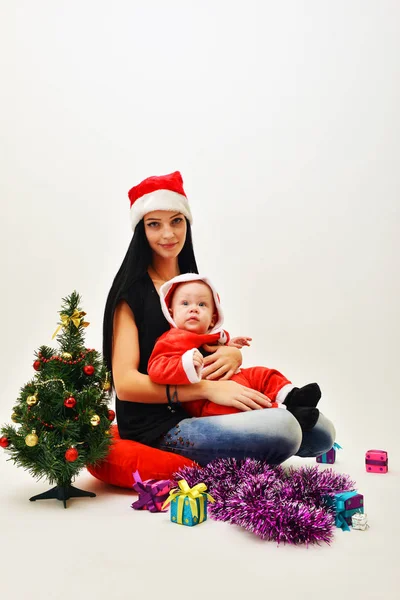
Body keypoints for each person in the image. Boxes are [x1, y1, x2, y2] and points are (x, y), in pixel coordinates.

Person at [103, 171, 335, 466]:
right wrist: (207, 388)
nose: (168, 234)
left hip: (203, 408)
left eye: (176, 221)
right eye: (154, 224)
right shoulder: (130, 294)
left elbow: (202, 339)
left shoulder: (187, 280)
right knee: (287, 430)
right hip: (160, 428)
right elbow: (125, 384)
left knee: (321, 433)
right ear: (141, 231)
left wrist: (231, 353)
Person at [147, 273, 320, 431]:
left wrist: (230, 345)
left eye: (202, 304)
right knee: (238, 407)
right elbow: (156, 368)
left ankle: (292, 395)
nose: (194, 309)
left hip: (237, 379)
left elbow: (219, 343)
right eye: (185, 303)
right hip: (209, 401)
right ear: (171, 313)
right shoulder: (171, 340)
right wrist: (185, 364)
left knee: (262, 374)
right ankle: (286, 414)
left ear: (213, 318)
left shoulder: (211, 335)